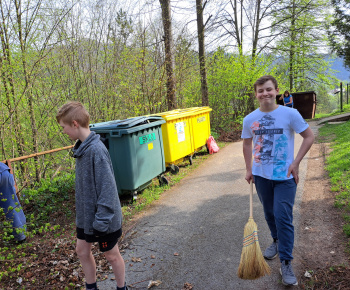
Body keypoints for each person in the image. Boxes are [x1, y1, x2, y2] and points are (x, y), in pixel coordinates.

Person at [241, 75, 314, 286]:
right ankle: (275, 239)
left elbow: (309, 137)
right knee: (269, 214)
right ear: (256, 94)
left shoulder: (290, 114)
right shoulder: (249, 119)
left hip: (285, 177)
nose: (265, 93)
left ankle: (286, 261)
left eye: (268, 89)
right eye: (260, 90)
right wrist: (248, 169)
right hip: (261, 176)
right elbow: (247, 144)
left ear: (277, 91)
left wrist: (296, 162)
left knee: (283, 217)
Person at [56, 101, 127, 290]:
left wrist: (101, 222)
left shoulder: (96, 150)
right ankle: (91, 287)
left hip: (104, 218)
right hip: (87, 217)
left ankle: (122, 288)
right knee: (81, 251)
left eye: (63, 127)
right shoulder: (81, 149)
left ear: (75, 124)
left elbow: (108, 190)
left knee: (111, 255)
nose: (63, 132)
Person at [0, 162, 26, 243]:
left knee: (8, 206)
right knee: (12, 203)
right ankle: (22, 231)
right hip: (5, 171)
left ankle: (20, 236)